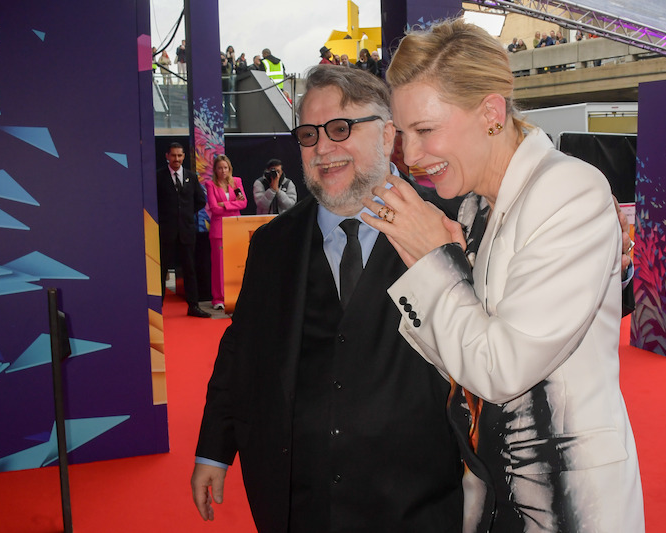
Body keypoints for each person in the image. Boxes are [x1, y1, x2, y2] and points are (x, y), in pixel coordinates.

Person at [362, 19, 644, 533]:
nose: (411, 156)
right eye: (403, 135)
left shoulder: (570, 191)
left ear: (491, 113)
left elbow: (501, 368)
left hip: (568, 498)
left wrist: (433, 262)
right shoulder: (475, 207)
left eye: (425, 130)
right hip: (495, 487)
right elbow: (458, 359)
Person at [191, 65, 465, 532]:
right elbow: (242, 349)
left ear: (386, 136)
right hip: (299, 501)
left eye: (340, 128)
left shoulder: (451, 227)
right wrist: (214, 448)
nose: (322, 148)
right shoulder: (273, 244)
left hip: (418, 501)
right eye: (308, 134)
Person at [156, 143, 209, 318]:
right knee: (161, 269)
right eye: (173, 156)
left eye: (179, 156)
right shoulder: (158, 177)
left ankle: (193, 306)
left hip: (187, 230)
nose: (176, 159)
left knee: (189, 269)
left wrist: (185, 213)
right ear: (167, 156)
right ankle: (157, 307)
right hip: (166, 230)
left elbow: (201, 200)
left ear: (184, 156)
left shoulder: (191, 177)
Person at [203, 155, 247, 311]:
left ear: (230, 169)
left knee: (236, 263)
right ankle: (218, 298)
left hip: (235, 228)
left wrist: (225, 204)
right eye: (220, 168)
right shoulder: (211, 185)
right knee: (219, 265)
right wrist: (232, 205)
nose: (223, 171)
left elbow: (244, 202)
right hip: (219, 229)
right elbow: (214, 208)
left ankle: (236, 295)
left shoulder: (236, 182)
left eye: (226, 168)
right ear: (215, 169)